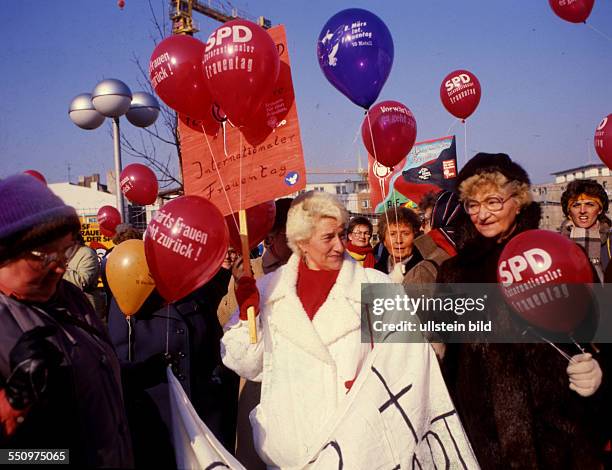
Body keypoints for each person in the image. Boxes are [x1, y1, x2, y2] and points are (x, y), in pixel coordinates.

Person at [437, 153, 607, 469]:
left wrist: (599, 370)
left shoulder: (559, 253)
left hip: (559, 440)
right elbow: (447, 355)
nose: (482, 214)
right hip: (484, 443)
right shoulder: (453, 273)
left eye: (493, 202)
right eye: (472, 205)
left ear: (519, 200)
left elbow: (602, 332)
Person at [221, 191, 397, 468]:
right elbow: (248, 365)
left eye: (342, 234)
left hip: (358, 451)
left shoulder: (376, 286)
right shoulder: (269, 290)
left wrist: (370, 389)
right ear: (301, 241)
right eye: (328, 238)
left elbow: (406, 365)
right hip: (292, 452)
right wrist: (247, 318)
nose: (340, 246)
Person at [0, 174, 133, 467]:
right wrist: (13, 403)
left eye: (67, 251)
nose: (61, 267)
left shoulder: (69, 297)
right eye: (48, 257)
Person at [108, 266, 239, 468]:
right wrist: (148, 370)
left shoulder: (202, 286)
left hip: (201, 416)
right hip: (153, 420)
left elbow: (214, 347)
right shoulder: (131, 289)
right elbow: (118, 361)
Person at [403, 190, 464, 284]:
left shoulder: (423, 271)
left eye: (426, 221)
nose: (421, 228)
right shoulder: (481, 255)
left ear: (439, 220)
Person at [560, 179, 612, 283]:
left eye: (590, 204)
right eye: (576, 205)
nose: (582, 211)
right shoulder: (558, 244)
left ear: (600, 209)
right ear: (568, 211)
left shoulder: (610, 240)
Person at [374, 206, 425, 283]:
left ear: (415, 236)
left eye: (405, 234)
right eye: (392, 234)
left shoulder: (425, 270)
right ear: (384, 240)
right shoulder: (375, 271)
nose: (399, 240)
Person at [63, 233, 103, 316]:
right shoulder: (64, 253)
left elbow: (81, 282)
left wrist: (60, 267)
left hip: (84, 310)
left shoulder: (87, 254)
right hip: (66, 307)